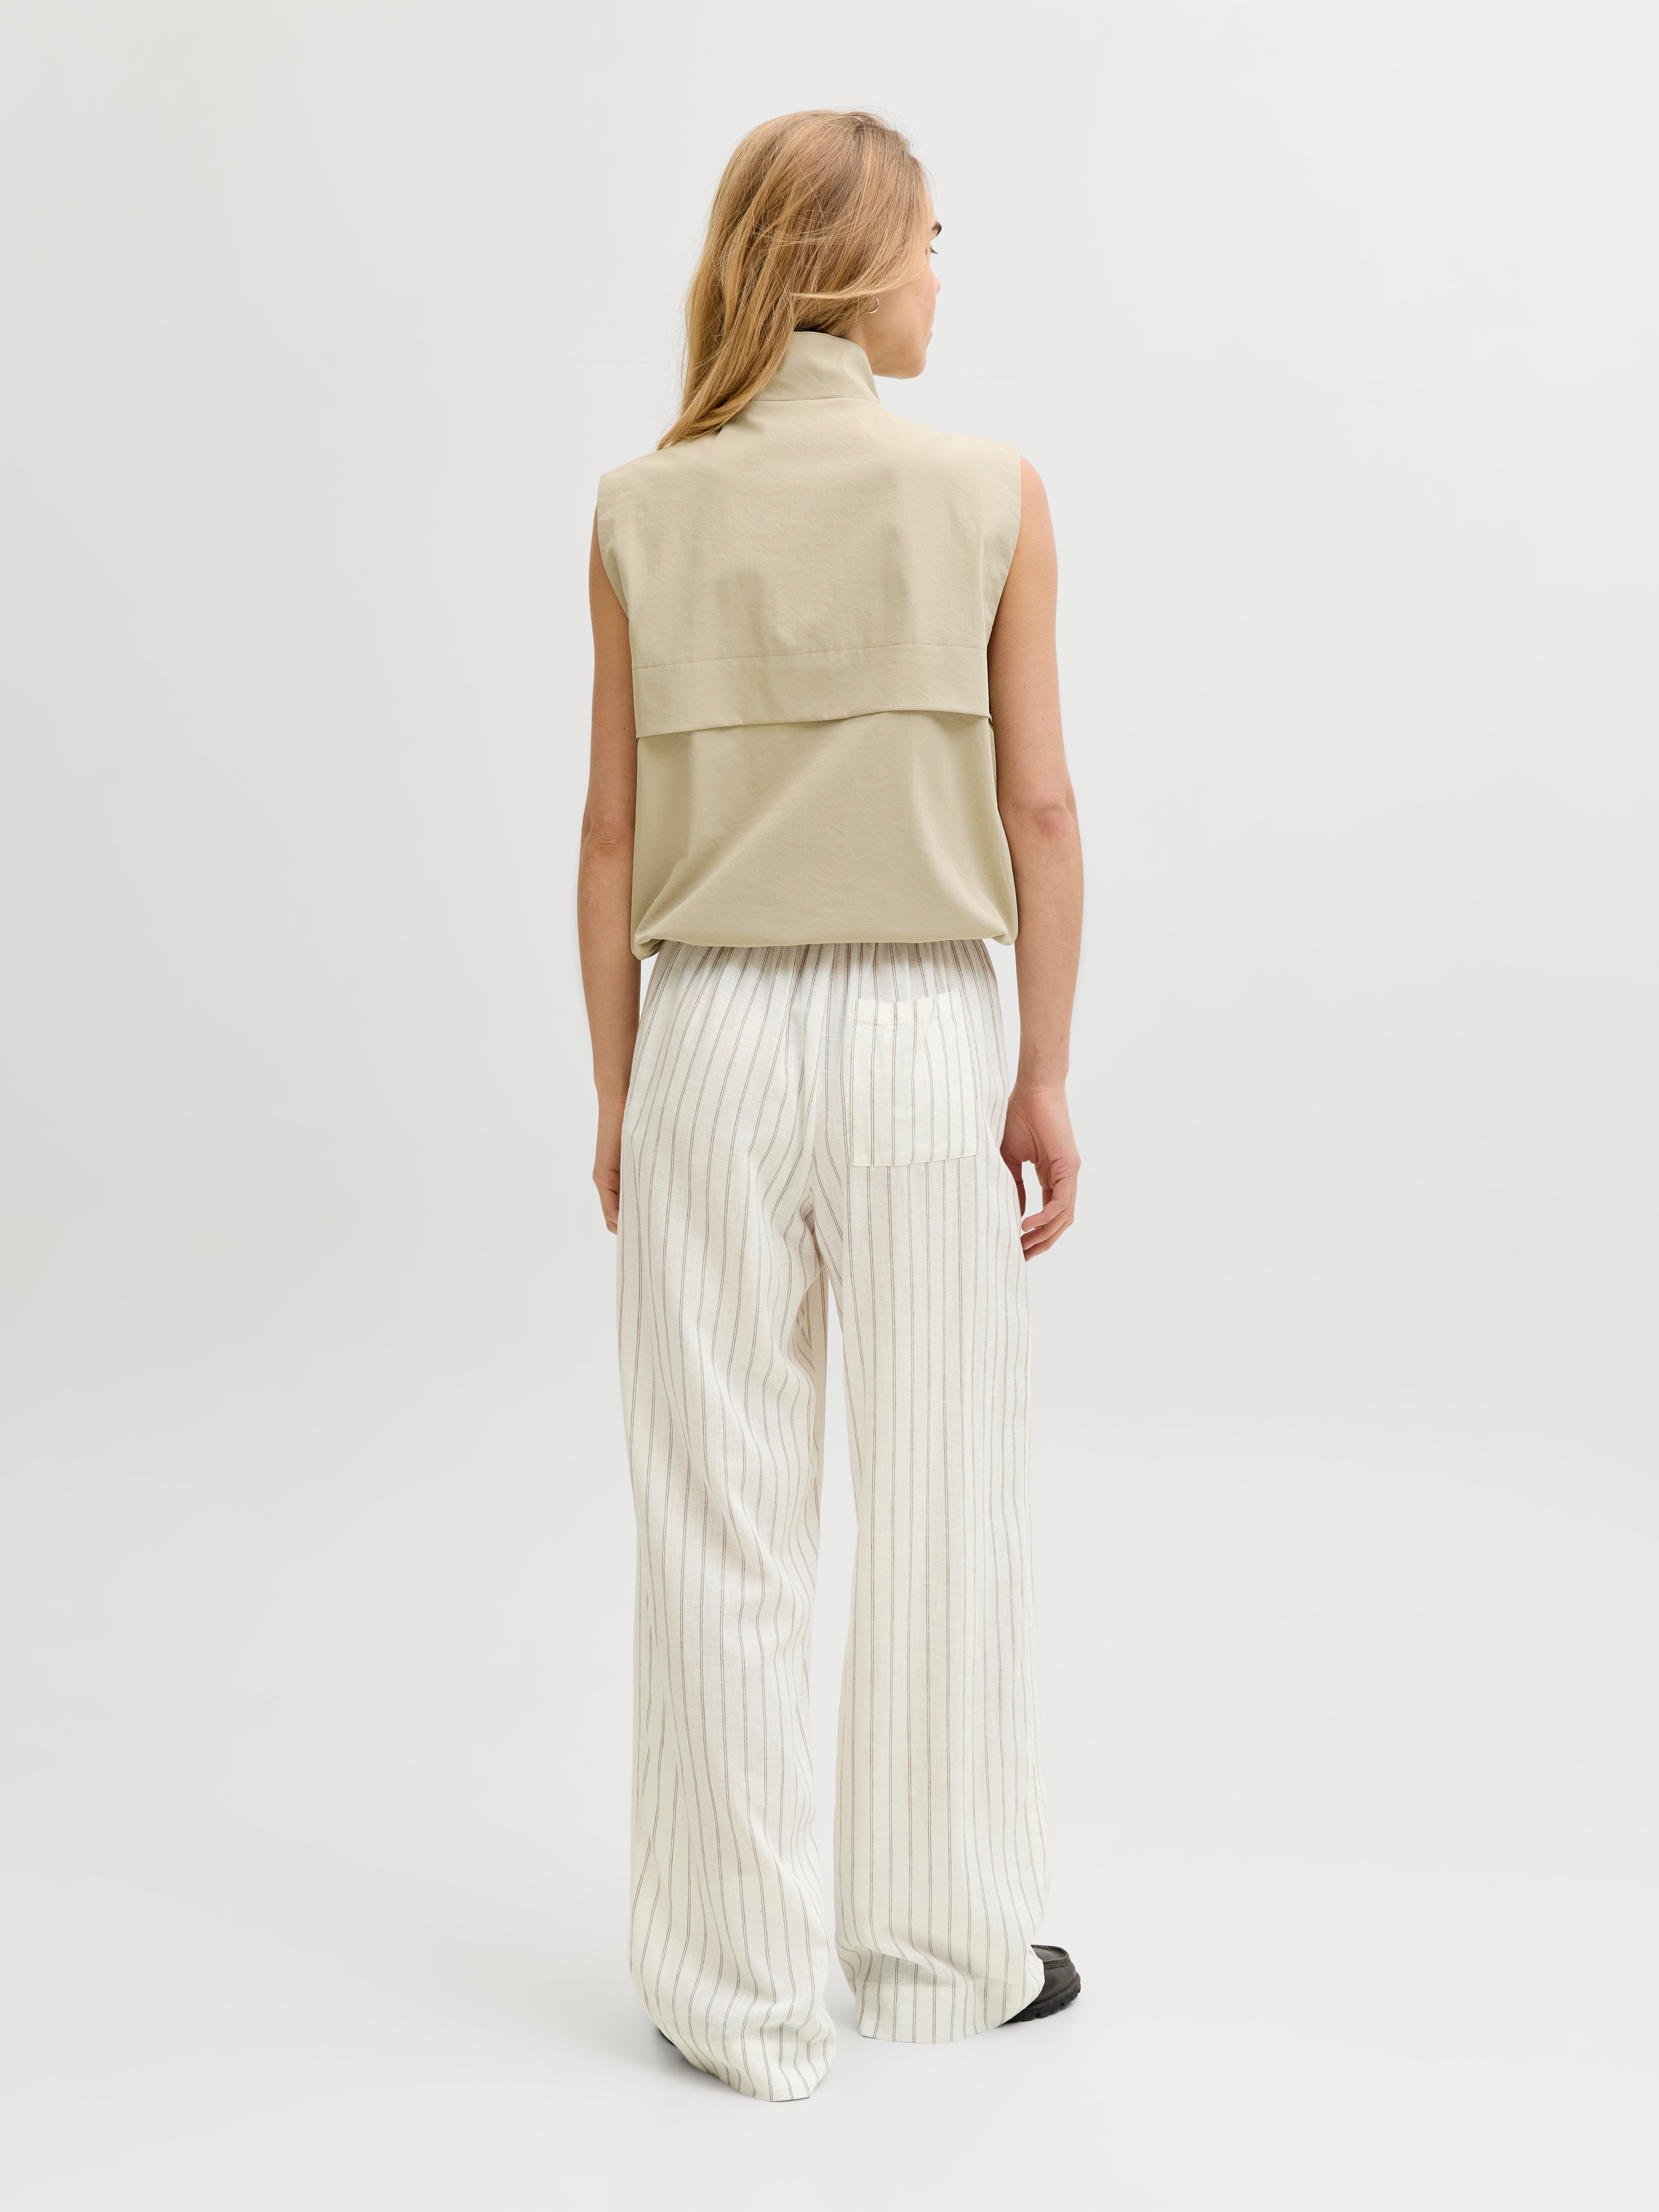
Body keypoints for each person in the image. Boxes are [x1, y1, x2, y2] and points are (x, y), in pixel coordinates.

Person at [578, 109, 1084, 2102]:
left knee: (720, 1512)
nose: (943, 274)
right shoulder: (989, 493)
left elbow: (609, 838)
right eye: (931, 241)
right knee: (942, 1492)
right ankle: (942, 1954)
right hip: (920, 1036)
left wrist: (619, 1091)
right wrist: (1044, 1068)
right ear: (858, 269)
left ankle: (738, 1996)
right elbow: (1040, 809)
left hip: (705, 1031)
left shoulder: (640, 507)